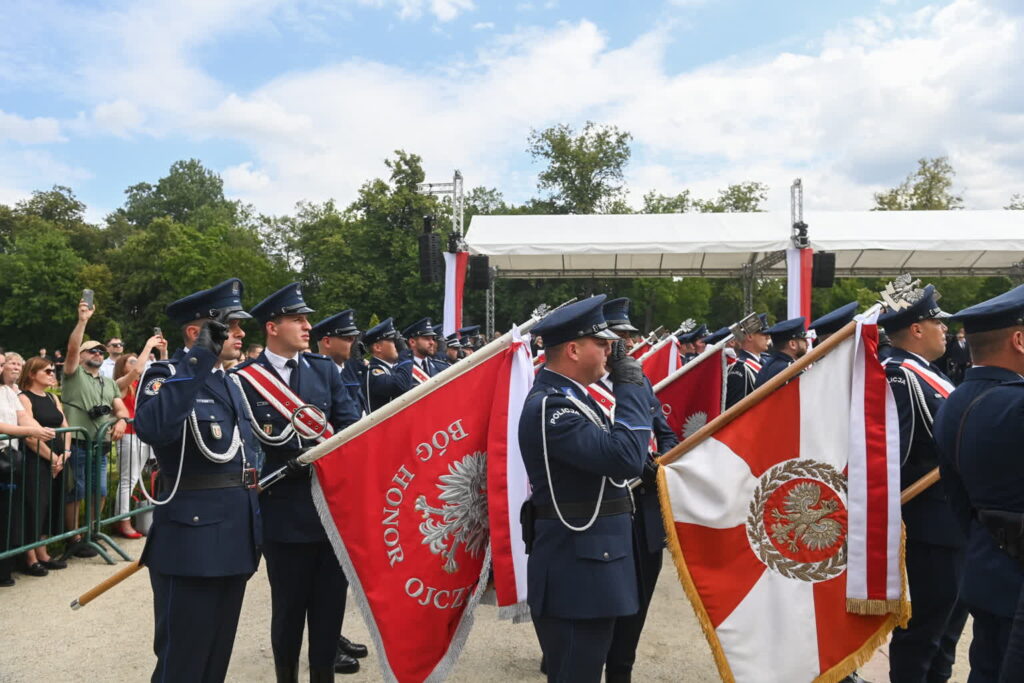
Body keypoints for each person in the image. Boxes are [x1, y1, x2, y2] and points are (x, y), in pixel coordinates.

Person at [232, 283, 363, 681]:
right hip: (283, 514)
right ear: (272, 327)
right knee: (288, 613)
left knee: (328, 611)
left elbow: (350, 428)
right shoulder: (245, 379)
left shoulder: (323, 370)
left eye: (307, 319)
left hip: (329, 512)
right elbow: (245, 447)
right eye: (298, 319)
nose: (308, 326)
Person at [518, 295, 653, 683]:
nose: (612, 350)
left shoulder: (576, 399)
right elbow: (625, 457)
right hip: (577, 574)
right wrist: (629, 386)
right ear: (573, 350)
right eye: (602, 343)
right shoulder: (552, 407)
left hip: (593, 569)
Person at [133, 278, 261, 683]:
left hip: (235, 537)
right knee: (183, 662)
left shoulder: (231, 381)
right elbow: (153, 427)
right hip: (192, 543)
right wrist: (199, 357)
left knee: (214, 660)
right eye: (230, 326)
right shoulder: (166, 374)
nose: (240, 334)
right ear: (196, 332)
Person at [932, 284, 1024, 682]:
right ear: (1019, 340)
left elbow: (958, 501)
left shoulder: (955, 399)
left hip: (986, 569)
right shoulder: (1013, 403)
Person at [879, 284, 968, 683]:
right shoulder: (899, 375)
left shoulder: (926, 374)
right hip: (927, 526)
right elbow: (893, 458)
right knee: (923, 636)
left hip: (951, 522)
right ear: (916, 329)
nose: (944, 330)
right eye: (937, 322)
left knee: (945, 636)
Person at [599, 297, 677, 683]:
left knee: (637, 607)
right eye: (618, 336)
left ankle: (620, 673)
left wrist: (658, 462)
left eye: (628, 336)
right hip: (606, 509)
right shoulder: (584, 387)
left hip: (643, 513)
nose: (625, 343)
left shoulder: (637, 378)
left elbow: (665, 431)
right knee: (600, 612)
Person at [61, 300, 129, 557]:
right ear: (81, 356)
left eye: (101, 352)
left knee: (99, 491)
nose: (98, 354)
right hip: (77, 442)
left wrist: (121, 420)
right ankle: (73, 538)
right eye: (92, 351)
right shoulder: (72, 373)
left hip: (101, 444)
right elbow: (71, 348)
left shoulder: (108, 382)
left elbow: (121, 409)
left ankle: (91, 532)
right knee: (76, 492)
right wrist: (83, 321)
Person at [0, 355, 57, 586]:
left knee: (7, 514)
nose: (3, 366)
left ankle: (5, 569)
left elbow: (24, 417)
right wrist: (28, 432)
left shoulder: (6, 391)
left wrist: (40, 429)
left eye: (2, 362)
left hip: (8, 459)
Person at [17, 356, 70, 575]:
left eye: (52, 371)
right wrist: (52, 458)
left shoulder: (51, 397)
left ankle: (43, 552)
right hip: (37, 460)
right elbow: (30, 436)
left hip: (58, 458)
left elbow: (65, 426)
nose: (52, 374)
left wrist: (65, 453)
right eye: (47, 371)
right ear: (32, 374)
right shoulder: (23, 398)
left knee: (51, 505)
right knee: (35, 505)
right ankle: (30, 557)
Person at [111, 334, 168, 539]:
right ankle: (123, 522)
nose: (138, 364)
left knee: (135, 479)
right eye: (131, 361)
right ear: (122, 366)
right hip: (128, 435)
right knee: (128, 479)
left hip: (141, 435)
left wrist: (162, 353)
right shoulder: (120, 383)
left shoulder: (140, 385)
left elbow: (163, 376)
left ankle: (128, 519)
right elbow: (136, 370)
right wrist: (148, 345)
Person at [312, 309, 369, 416]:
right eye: (348, 339)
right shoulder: (316, 376)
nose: (354, 344)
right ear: (327, 342)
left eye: (354, 339)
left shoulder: (350, 370)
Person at [725, 314, 770, 409]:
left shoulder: (765, 361)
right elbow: (735, 410)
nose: (768, 337)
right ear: (750, 336)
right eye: (764, 334)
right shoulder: (740, 368)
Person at [363, 318, 405, 412]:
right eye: (392, 340)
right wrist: (405, 354)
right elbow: (401, 386)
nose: (397, 345)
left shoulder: (392, 369)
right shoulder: (374, 372)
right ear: (378, 347)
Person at [753, 317, 808, 388]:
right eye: (804, 340)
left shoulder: (765, 368)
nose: (807, 344)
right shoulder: (792, 370)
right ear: (792, 344)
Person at [394, 317, 444, 390]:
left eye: (432, 338)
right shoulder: (399, 369)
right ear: (412, 342)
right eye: (427, 338)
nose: (432, 342)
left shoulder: (441, 367)